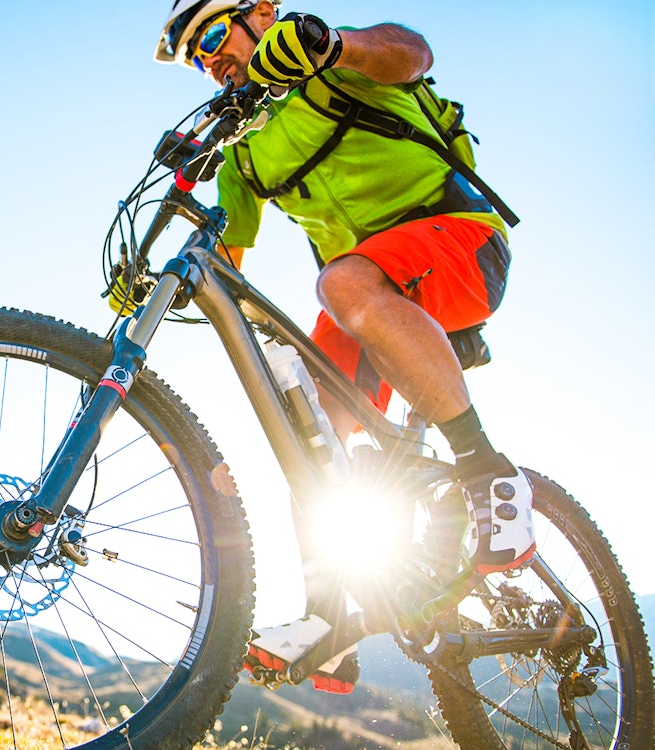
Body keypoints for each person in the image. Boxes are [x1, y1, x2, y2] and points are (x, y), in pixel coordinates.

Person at [151, 0, 536, 694]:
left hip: (459, 243)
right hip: (367, 295)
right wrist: (159, 272)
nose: (209, 60)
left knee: (341, 281)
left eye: (212, 36)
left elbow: (409, 52)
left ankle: (488, 475)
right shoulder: (245, 150)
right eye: (196, 58)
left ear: (262, 13)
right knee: (307, 429)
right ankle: (327, 624)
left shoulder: (327, 65)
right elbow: (226, 261)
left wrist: (332, 46)